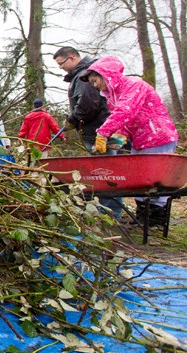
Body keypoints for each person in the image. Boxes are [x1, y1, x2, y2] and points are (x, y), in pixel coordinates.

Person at [80, 56, 179, 225]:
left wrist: (103, 133)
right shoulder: (113, 96)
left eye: (95, 80)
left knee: (155, 179)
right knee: (140, 178)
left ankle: (156, 219)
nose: (95, 85)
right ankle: (144, 217)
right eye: (92, 83)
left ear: (107, 75)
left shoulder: (134, 85)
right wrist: (117, 140)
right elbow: (123, 122)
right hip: (140, 140)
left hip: (158, 136)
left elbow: (125, 112)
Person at [54, 46, 122, 221]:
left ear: (72, 58)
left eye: (61, 63)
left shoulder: (85, 75)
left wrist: (73, 119)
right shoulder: (81, 76)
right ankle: (108, 212)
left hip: (99, 132)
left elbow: (87, 104)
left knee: (106, 174)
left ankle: (110, 215)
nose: (61, 68)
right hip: (95, 131)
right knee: (106, 172)